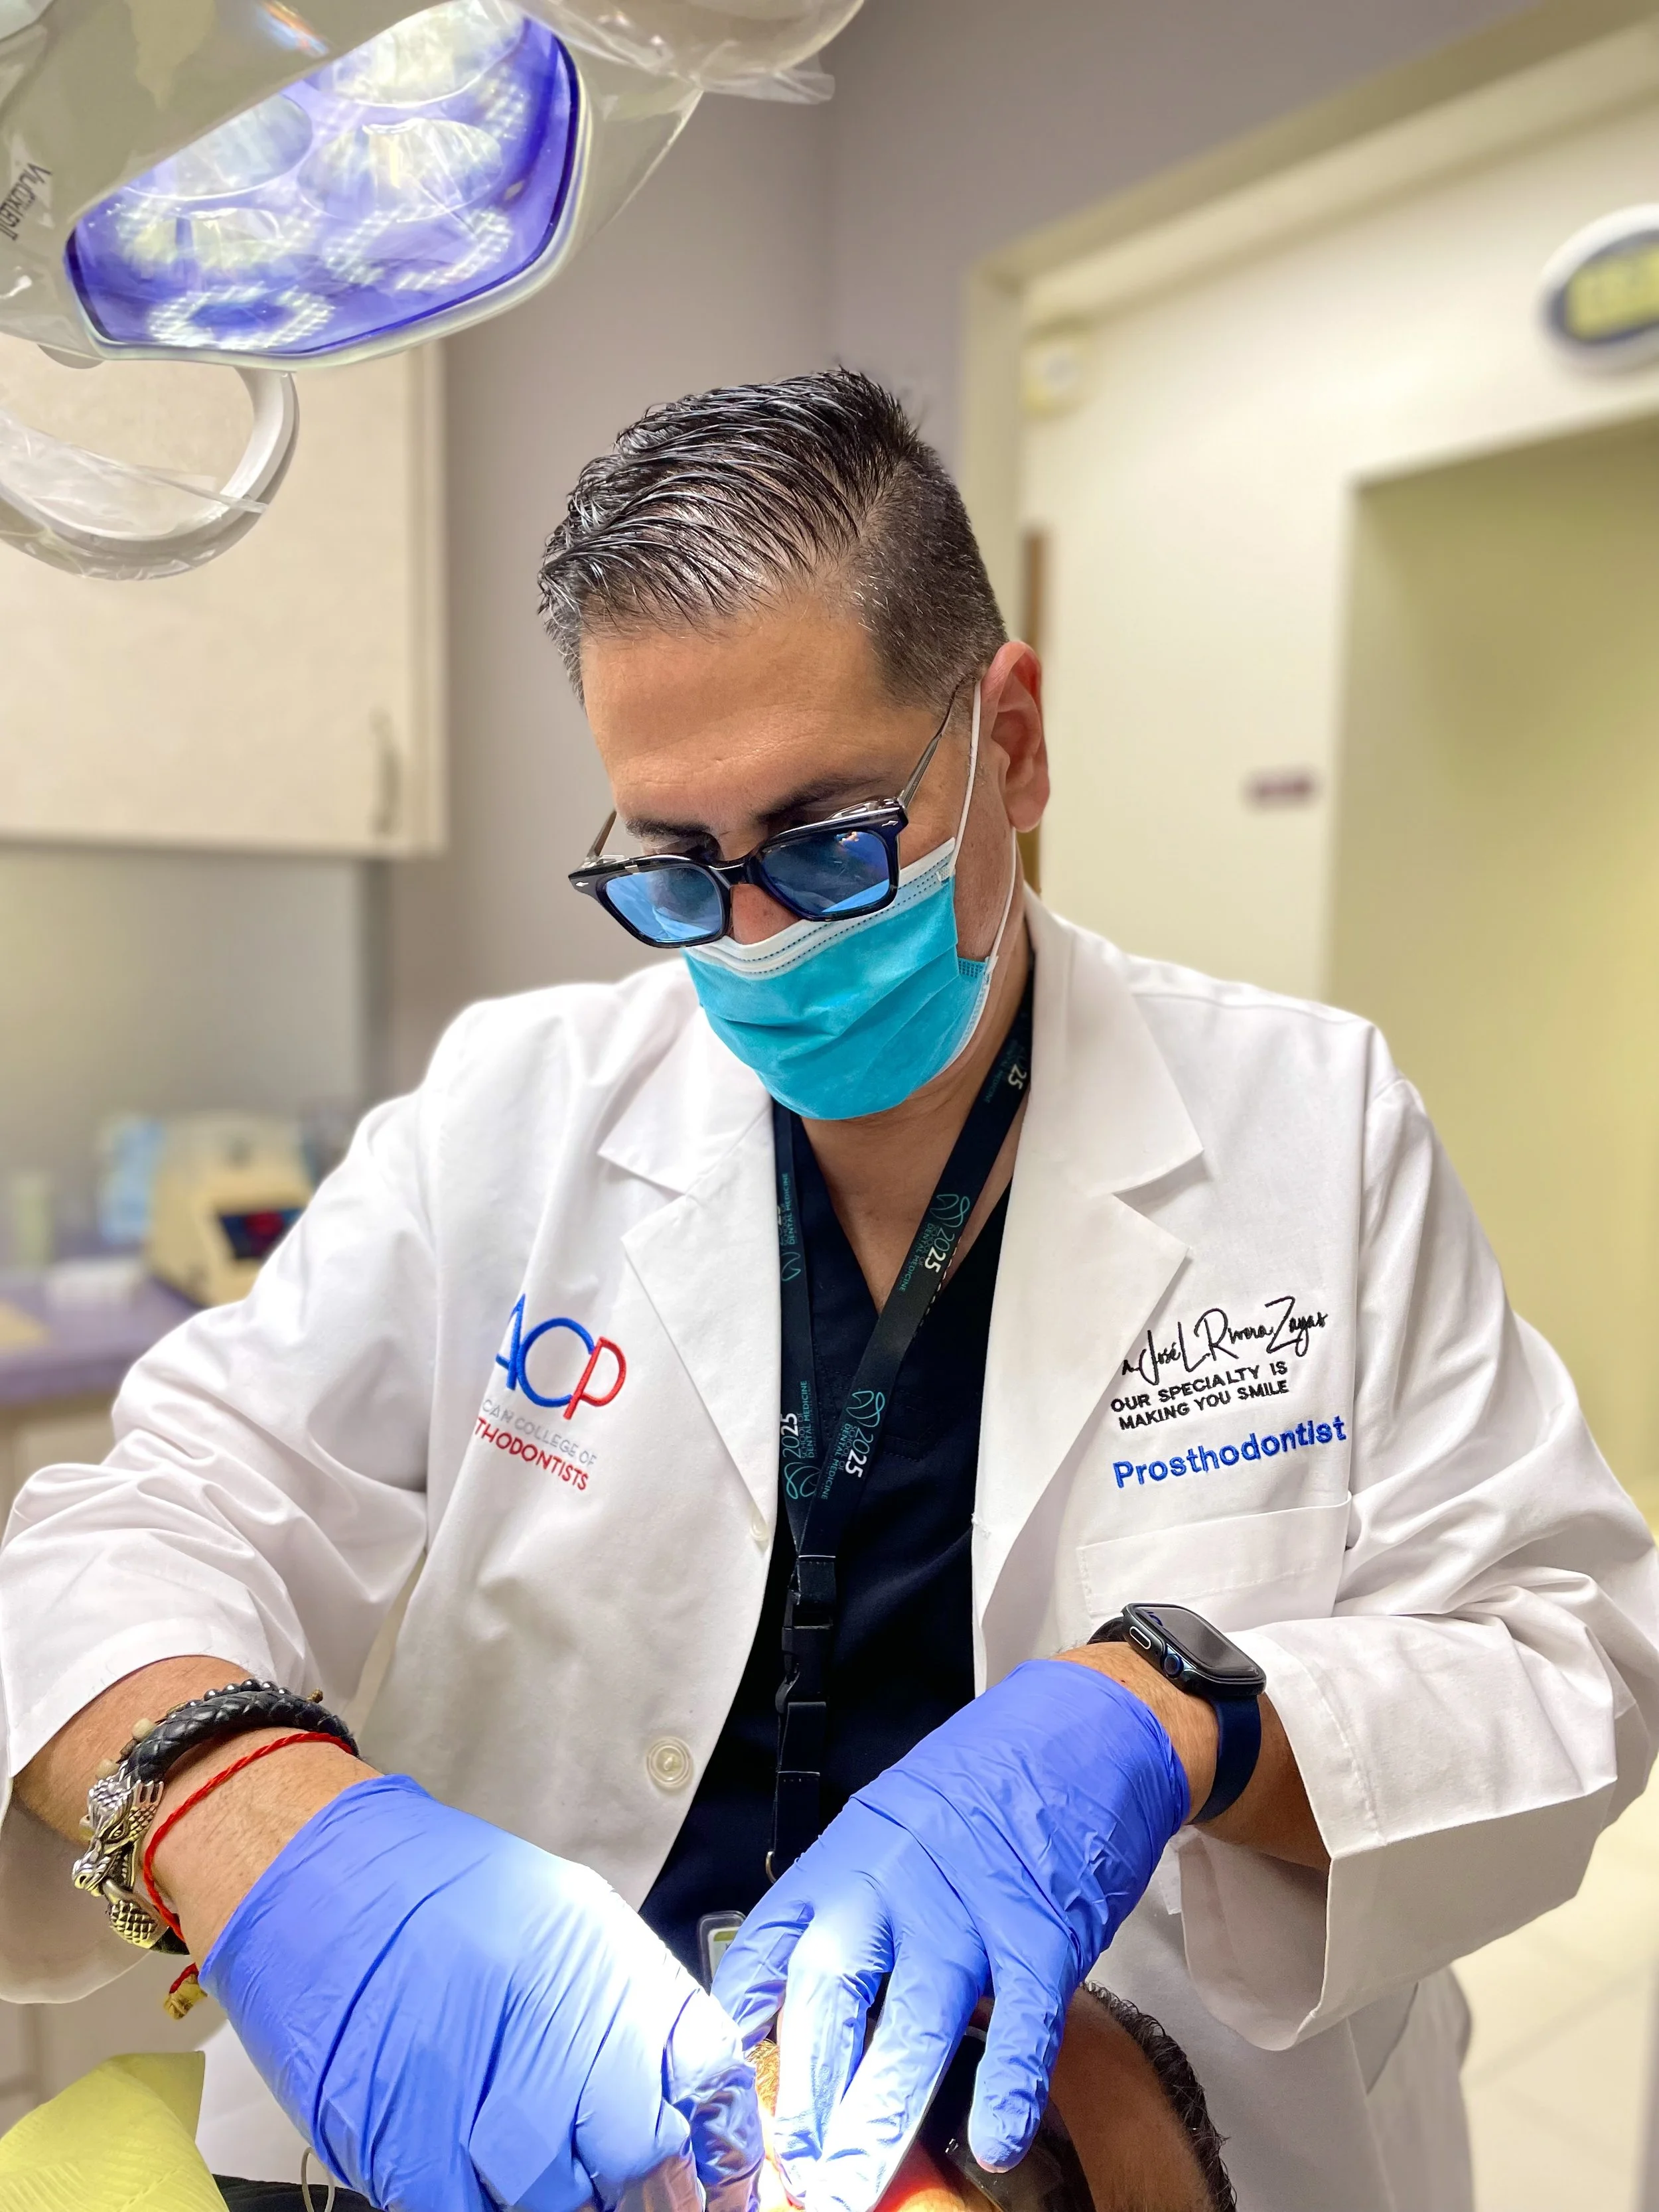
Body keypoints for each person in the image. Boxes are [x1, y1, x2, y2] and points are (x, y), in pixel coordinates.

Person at [0, 370, 1655, 2212]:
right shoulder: (511, 1111)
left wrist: (1177, 1718)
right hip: (561, 2134)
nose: (759, 941)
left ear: (1008, 741)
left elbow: (1563, 1658)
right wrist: (259, 1828)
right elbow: (141, 1522)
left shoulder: (1308, 1126)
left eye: (824, 841)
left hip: (1112, 2140)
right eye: (676, 869)